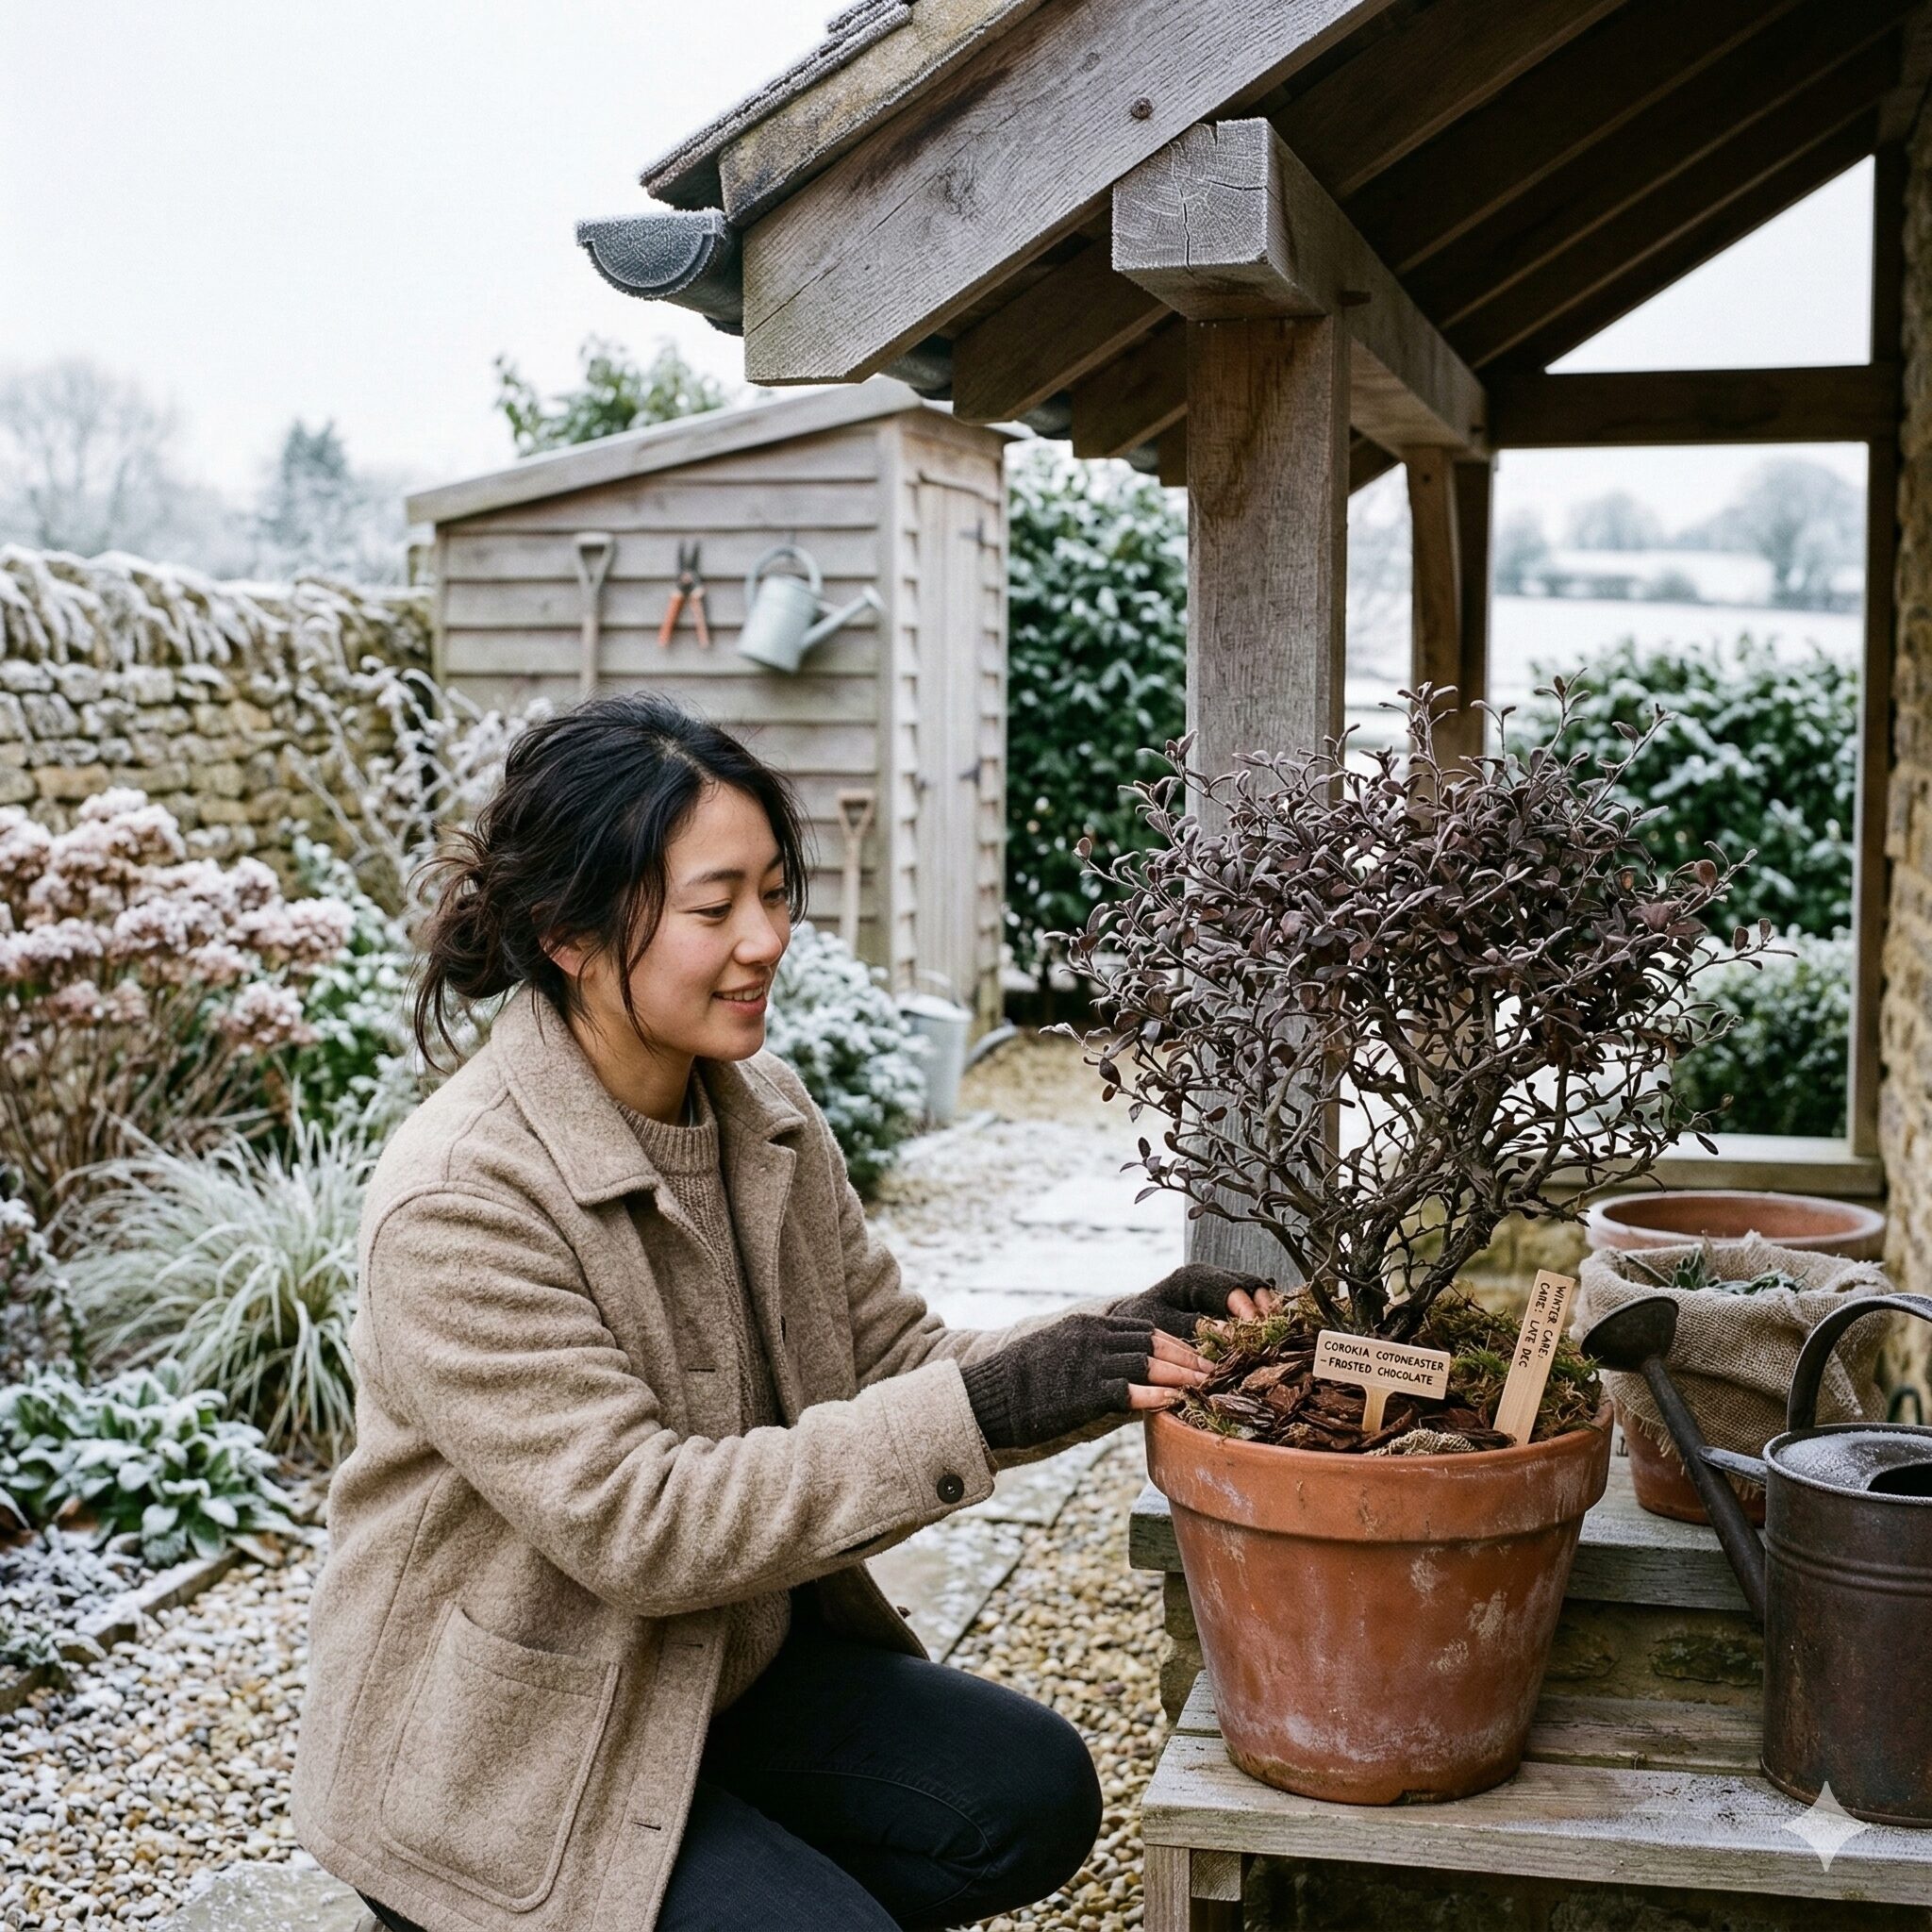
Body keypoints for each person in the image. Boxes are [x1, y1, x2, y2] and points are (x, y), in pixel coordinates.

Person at [290, 693, 1274, 1932]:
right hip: (514, 1759)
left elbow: (894, 1360)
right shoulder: (463, 1198)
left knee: (1029, 1796)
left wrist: (1118, 1338)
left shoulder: (760, 1109)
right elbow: (643, 1527)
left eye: (775, 890)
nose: (765, 938)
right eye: (713, 908)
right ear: (569, 936)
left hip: (717, 1683)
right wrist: (981, 1403)